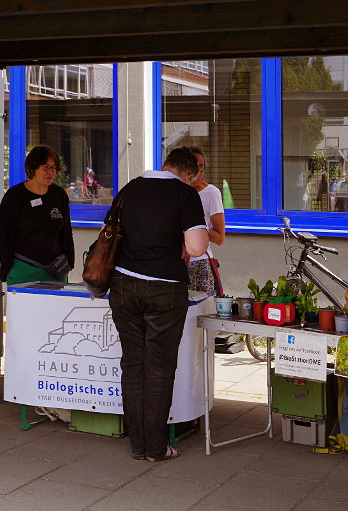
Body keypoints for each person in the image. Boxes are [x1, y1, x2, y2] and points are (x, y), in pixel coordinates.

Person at [108, 147, 209, 462]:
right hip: (164, 287)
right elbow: (197, 245)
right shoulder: (184, 194)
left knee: (133, 364)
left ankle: (138, 445)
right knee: (159, 367)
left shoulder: (130, 188)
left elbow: (106, 233)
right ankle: (155, 447)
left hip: (123, 285)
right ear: (188, 174)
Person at [0, 145, 74, 285]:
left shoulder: (59, 195)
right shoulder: (14, 196)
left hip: (56, 270)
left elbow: (67, 232)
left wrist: (69, 262)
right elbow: (3, 235)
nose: (51, 172)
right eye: (46, 167)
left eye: (54, 168)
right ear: (33, 168)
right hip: (24, 270)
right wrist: (8, 267)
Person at [186, 146, 225, 293]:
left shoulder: (211, 193)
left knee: (200, 310)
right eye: (195, 166)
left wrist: (194, 228)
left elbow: (220, 238)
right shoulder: (175, 191)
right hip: (173, 261)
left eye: (202, 166)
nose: (199, 171)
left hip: (198, 263)